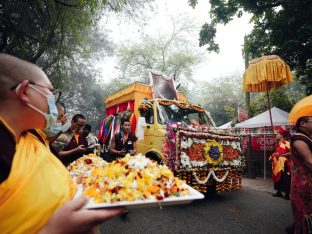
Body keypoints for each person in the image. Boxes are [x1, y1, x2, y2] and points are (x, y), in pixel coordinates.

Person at [0, 53, 124, 233]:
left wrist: (72, 182)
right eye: (51, 93)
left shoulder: (29, 137)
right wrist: (54, 230)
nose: (54, 101)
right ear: (24, 92)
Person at [290, 115, 312, 234]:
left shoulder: (307, 137)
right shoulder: (298, 139)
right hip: (302, 182)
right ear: (302, 124)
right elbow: (309, 161)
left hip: (308, 179)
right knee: (304, 212)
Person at [269, 126, 291, 199]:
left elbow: (291, 153)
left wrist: (281, 155)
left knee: (286, 178)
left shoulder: (287, 143)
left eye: (278, 134)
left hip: (285, 163)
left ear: (282, 135)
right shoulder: (276, 143)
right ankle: (279, 192)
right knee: (277, 177)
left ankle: (287, 194)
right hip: (276, 163)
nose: (276, 135)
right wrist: (272, 144)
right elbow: (271, 151)